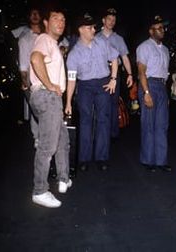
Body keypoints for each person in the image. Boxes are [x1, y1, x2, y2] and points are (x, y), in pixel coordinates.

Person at [65, 13, 119, 172]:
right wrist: (68, 102)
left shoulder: (102, 43)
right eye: (89, 28)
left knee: (103, 120)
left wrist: (113, 79)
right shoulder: (74, 53)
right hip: (85, 87)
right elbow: (71, 79)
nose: (93, 30)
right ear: (81, 30)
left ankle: (102, 157)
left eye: (93, 27)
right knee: (85, 121)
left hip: (103, 84)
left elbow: (115, 58)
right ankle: (84, 158)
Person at [29, 5, 71, 208]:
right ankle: (39, 191)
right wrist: (49, 85)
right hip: (47, 96)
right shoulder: (45, 40)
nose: (60, 23)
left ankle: (63, 179)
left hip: (51, 97)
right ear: (46, 22)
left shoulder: (53, 43)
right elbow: (35, 59)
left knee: (62, 140)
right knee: (48, 146)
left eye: (63, 19)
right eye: (56, 18)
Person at [136, 15, 171, 172]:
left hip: (162, 87)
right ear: (151, 31)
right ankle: (148, 160)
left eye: (162, 28)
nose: (162, 30)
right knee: (149, 124)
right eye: (158, 28)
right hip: (149, 84)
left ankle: (161, 161)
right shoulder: (144, 47)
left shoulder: (165, 49)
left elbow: (165, 73)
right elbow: (141, 72)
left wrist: (165, 94)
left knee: (162, 125)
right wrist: (146, 92)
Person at [96, 8, 133, 140]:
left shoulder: (118, 39)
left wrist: (130, 74)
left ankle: (113, 134)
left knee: (113, 102)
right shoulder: (95, 37)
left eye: (114, 20)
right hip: (99, 72)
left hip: (114, 72)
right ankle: (100, 132)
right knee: (100, 103)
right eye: (109, 19)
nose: (111, 22)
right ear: (103, 20)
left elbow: (125, 58)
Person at [18, 7, 42, 146]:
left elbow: (64, 45)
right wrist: (24, 80)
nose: (34, 15)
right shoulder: (25, 39)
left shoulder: (47, 35)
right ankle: (37, 137)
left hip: (49, 77)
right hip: (32, 78)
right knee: (36, 109)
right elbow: (23, 64)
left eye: (37, 13)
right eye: (32, 13)